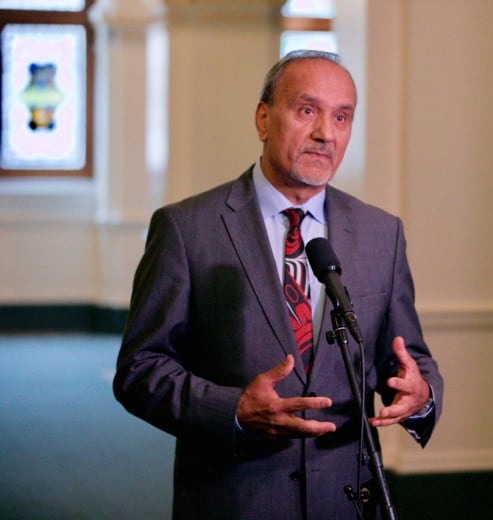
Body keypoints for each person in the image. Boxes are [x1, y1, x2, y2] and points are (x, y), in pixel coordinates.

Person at [113, 50, 444, 519]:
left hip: (346, 502)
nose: (325, 133)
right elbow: (140, 370)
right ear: (263, 118)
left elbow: (407, 356)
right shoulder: (187, 229)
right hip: (237, 501)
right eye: (307, 110)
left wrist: (420, 394)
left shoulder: (380, 233)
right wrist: (233, 410)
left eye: (342, 116)